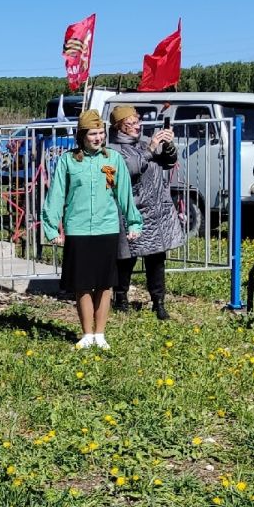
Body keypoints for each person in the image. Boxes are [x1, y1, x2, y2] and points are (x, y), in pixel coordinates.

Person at [45, 110, 141, 349]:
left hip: (106, 228)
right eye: (93, 134)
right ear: (81, 136)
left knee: (105, 283)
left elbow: (124, 193)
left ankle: (100, 334)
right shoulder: (68, 161)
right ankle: (87, 334)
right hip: (78, 229)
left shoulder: (112, 160)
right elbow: (56, 195)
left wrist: (133, 222)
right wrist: (51, 228)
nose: (98, 138)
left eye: (101, 133)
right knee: (82, 283)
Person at [107, 105, 184, 320]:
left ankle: (158, 302)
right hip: (133, 211)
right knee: (126, 258)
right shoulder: (113, 150)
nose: (136, 126)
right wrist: (150, 149)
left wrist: (168, 146)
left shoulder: (144, 143)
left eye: (137, 121)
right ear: (118, 127)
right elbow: (129, 169)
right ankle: (120, 297)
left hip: (157, 210)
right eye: (129, 124)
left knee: (156, 258)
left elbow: (168, 162)